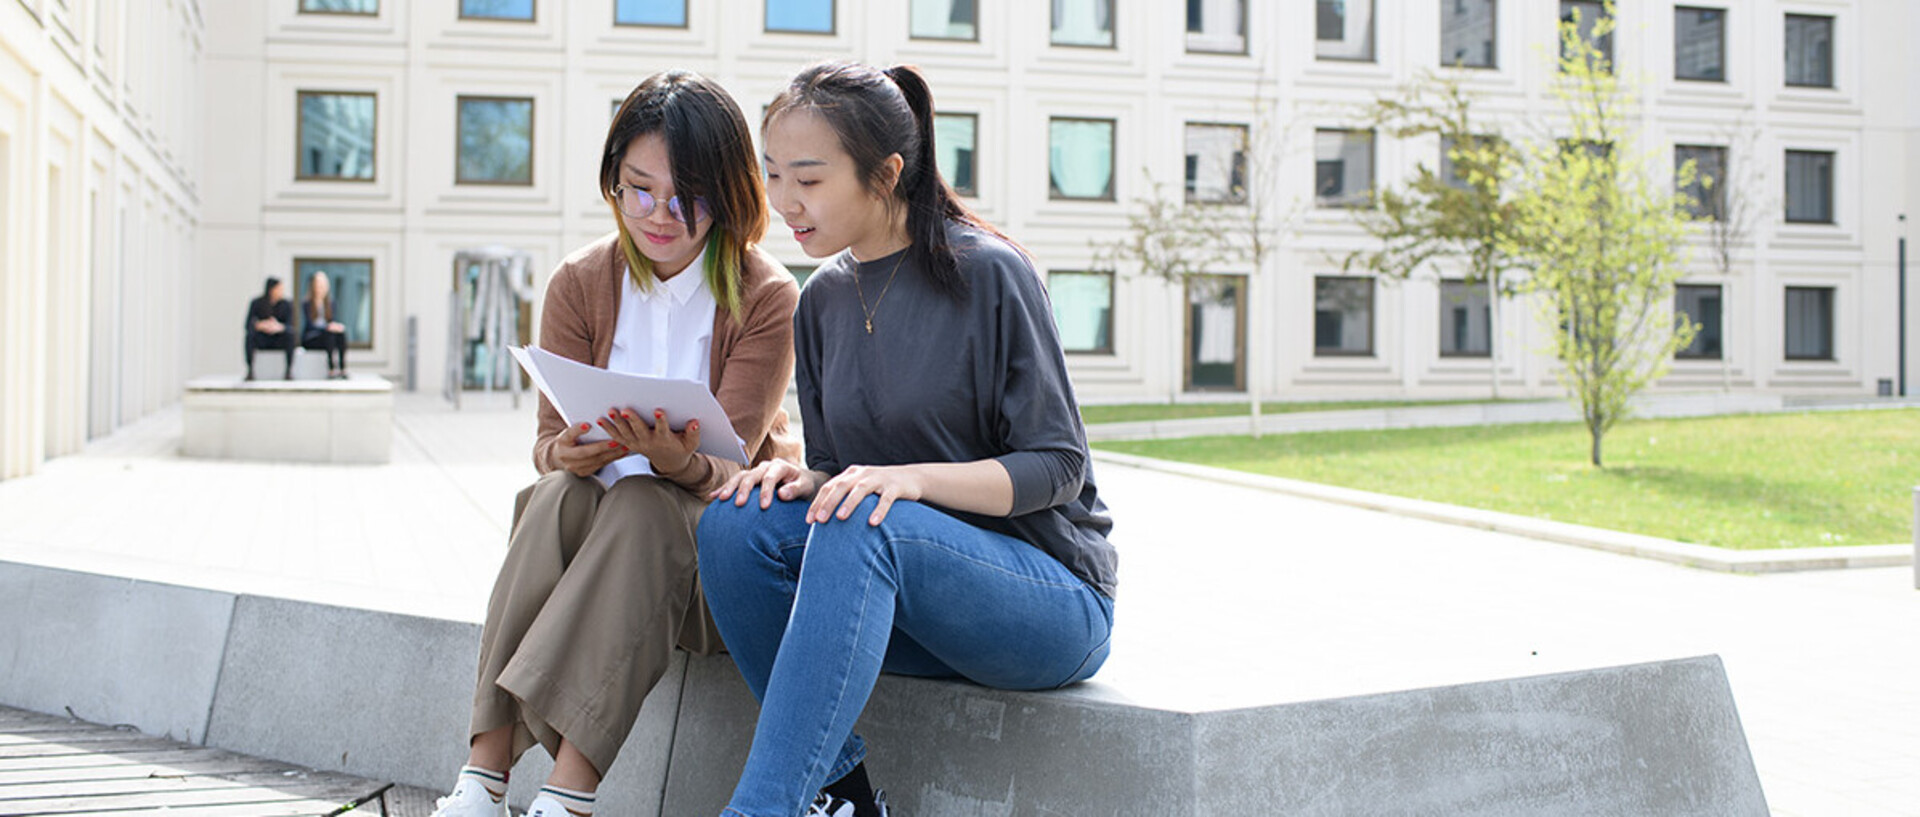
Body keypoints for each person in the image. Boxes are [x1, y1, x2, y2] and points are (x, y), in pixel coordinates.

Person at [697, 62, 1118, 817]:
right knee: (735, 522)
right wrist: (803, 480)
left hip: (1046, 604)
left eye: (810, 178)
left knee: (869, 515)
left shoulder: (989, 273)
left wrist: (911, 479)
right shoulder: (821, 299)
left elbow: (1058, 465)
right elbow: (838, 474)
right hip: (898, 600)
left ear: (886, 171)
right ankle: (843, 798)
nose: (784, 201)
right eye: (773, 175)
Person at [429, 70, 800, 817]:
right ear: (613, 181)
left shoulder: (765, 296)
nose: (658, 214)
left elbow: (734, 467)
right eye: (638, 189)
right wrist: (566, 452)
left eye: (686, 198)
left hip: (706, 575)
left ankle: (567, 792)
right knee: (555, 490)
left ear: (728, 197)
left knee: (642, 500)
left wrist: (680, 462)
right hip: (592, 552)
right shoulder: (578, 281)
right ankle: (483, 778)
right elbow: (545, 445)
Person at [301, 271, 350, 379]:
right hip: (312, 337)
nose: (320, 288)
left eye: (323, 285)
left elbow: (332, 321)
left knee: (340, 333)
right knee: (329, 333)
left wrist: (336, 327)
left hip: (328, 337)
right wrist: (326, 328)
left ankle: (342, 367)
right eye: (318, 285)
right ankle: (331, 368)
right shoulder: (307, 303)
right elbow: (309, 325)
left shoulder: (331, 303)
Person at [244, 277, 294, 381]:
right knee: (249, 336)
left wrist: (279, 327)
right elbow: (248, 324)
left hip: (278, 337)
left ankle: (289, 370)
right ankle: (250, 370)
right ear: (272, 289)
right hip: (262, 337)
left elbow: (291, 325)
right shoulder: (257, 303)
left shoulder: (286, 304)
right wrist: (261, 325)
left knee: (290, 335)